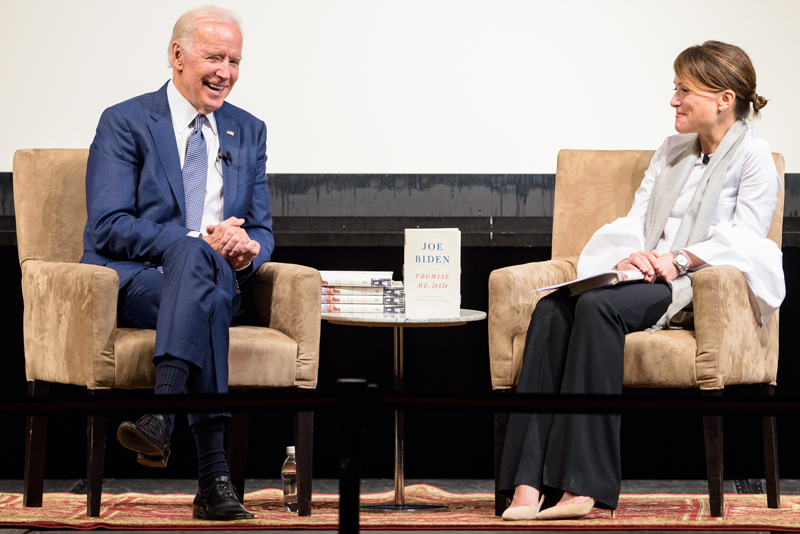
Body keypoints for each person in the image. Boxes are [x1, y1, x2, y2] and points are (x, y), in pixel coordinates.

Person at [499, 41, 785, 521]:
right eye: (674, 89)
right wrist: (631, 257)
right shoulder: (671, 151)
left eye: (684, 90)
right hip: (647, 271)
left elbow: (747, 239)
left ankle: (582, 488)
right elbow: (637, 219)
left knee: (597, 309)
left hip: (692, 283)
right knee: (551, 309)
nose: (673, 100)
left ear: (724, 98)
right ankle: (527, 484)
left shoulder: (752, 158)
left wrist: (678, 259)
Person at [81, 6, 273, 521]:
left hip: (217, 281)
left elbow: (262, 229)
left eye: (235, 61)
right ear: (177, 55)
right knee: (195, 259)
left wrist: (249, 251)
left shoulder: (248, 131)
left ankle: (162, 415)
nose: (225, 72)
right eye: (215, 57)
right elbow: (106, 224)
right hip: (141, 280)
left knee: (206, 282)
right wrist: (195, 242)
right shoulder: (125, 121)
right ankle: (213, 478)